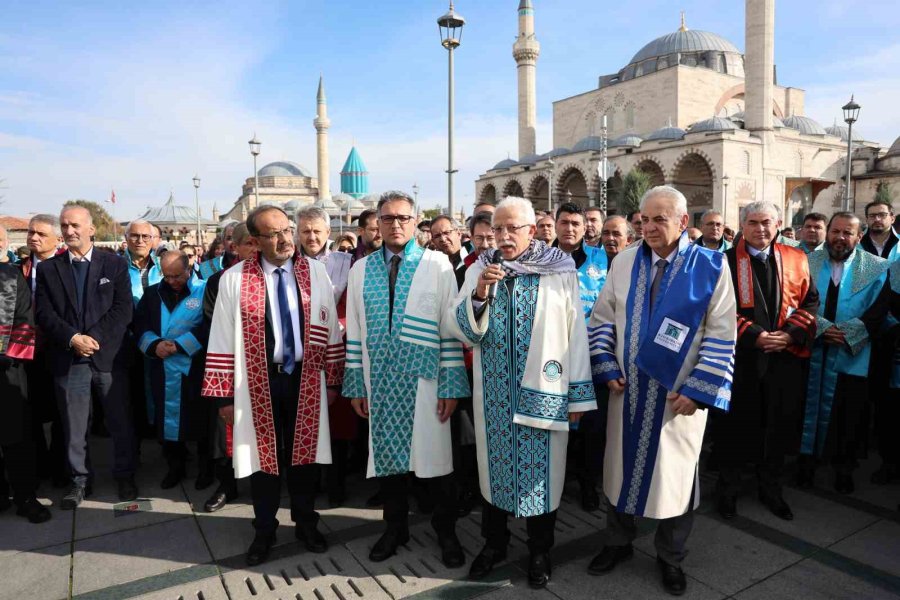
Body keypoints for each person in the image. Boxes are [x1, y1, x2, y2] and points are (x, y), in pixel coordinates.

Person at [587, 186, 736, 596]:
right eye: (644, 220)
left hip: (677, 400)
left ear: (683, 222)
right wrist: (606, 365)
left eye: (660, 219)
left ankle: (671, 557)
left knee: (677, 479)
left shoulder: (711, 266)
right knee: (619, 471)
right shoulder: (624, 261)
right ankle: (617, 543)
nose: (649, 228)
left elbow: (722, 334)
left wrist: (699, 391)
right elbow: (602, 319)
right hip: (627, 393)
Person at [447, 196, 596, 587]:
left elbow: (575, 331)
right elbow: (460, 328)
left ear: (532, 230)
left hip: (544, 392)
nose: (503, 236)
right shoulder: (479, 268)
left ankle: (540, 549)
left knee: (540, 478)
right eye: (497, 228)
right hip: (495, 395)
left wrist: (578, 395)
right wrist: (479, 294)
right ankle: (494, 544)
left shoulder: (558, 269)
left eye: (512, 228)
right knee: (494, 473)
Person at [203, 205, 344, 566]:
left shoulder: (315, 272)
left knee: (305, 458)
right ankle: (264, 529)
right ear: (254, 240)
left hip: (306, 378)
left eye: (286, 230)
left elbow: (330, 327)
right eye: (273, 234)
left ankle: (306, 523)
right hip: (256, 381)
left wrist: (333, 379)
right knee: (262, 459)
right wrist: (222, 396)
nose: (284, 239)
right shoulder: (234, 279)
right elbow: (220, 336)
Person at [342, 190, 469, 567]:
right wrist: (356, 384)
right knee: (389, 465)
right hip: (380, 381)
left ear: (416, 224)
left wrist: (450, 385)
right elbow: (355, 330)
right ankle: (395, 528)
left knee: (437, 463)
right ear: (377, 224)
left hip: (426, 380)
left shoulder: (437, 265)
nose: (395, 224)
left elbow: (449, 329)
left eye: (403, 218)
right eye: (387, 218)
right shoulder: (361, 269)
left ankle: (446, 531)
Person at [712, 201, 818, 522]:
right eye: (753, 222)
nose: (761, 229)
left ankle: (771, 488)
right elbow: (714, 309)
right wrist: (755, 336)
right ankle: (728, 489)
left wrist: (789, 335)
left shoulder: (796, 258)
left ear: (778, 224)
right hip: (741, 359)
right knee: (735, 427)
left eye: (767, 222)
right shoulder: (723, 261)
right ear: (742, 225)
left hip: (783, 358)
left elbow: (810, 301)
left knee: (777, 425)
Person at [35, 205, 137, 508]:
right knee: (73, 425)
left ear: (91, 229)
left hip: (108, 358)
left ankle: (125, 475)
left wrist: (93, 338)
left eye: (75, 225)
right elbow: (44, 313)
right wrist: (73, 339)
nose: (69, 231)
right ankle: (79, 480)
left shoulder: (114, 264)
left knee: (119, 421)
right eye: (64, 225)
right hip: (69, 359)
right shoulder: (49, 269)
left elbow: (123, 309)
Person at [799, 212, 890, 494]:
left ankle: (843, 469)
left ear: (859, 237)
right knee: (805, 409)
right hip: (812, 349)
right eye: (835, 231)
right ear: (827, 233)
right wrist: (821, 328)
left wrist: (849, 332)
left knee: (849, 415)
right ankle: (805, 465)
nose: (840, 238)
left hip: (852, 354)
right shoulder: (807, 261)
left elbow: (880, 309)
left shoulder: (876, 267)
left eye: (847, 233)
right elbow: (795, 300)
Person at [295, 206, 356, 507]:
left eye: (317, 231)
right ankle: (307, 484)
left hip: (335, 350)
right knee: (302, 422)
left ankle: (336, 483)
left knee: (336, 423)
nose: (312, 236)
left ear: (328, 232)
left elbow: (351, 303)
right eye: (305, 231)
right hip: (299, 353)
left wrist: (336, 326)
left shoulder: (345, 263)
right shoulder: (288, 263)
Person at [135, 251, 209, 489]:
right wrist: (155, 345)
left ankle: (206, 469)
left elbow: (211, 326)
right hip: (163, 366)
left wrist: (181, 345)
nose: (172, 281)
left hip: (195, 368)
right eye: (167, 276)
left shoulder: (204, 290)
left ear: (189, 269)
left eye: (177, 276)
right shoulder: (152, 294)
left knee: (201, 420)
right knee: (168, 420)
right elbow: (140, 325)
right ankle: (175, 467)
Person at [200, 223, 256, 513]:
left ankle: (264, 484)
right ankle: (227, 485)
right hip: (231, 364)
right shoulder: (220, 280)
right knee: (225, 430)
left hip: (267, 369)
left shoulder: (281, 277)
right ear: (236, 247)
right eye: (249, 244)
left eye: (259, 243)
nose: (254, 250)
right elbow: (213, 323)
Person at [0, 260, 51, 523]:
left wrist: (8, 355)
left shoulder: (9, 276)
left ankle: (25, 497)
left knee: (16, 436)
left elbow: (24, 320)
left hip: (6, 368)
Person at [20, 215, 66, 487]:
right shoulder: (20, 269)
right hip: (27, 351)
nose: (33, 237)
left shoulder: (67, 267)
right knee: (30, 413)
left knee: (62, 412)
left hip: (60, 348)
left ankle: (61, 467)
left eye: (40, 233)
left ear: (57, 239)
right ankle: (39, 465)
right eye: (31, 232)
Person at [431, 216, 469, 289]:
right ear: (433, 241)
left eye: (447, 233)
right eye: (437, 236)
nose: (443, 239)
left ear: (458, 234)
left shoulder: (474, 262)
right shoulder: (429, 267)